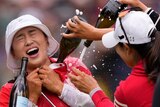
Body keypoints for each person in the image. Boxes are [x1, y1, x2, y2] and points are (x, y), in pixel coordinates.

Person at [62, 0, 160, 107]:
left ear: (127, 49)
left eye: (116, 45)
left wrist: (94, 90)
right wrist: (95, 33)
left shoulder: (127, 90)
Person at [0, 14, 95, 107]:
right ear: (13, 53)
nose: (28, 42)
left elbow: (100, 103)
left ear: (47, 40)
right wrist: (31, 99)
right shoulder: (8, 91)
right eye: (20, 38)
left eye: (32, 33)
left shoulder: (73, 66)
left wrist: (60, 88)